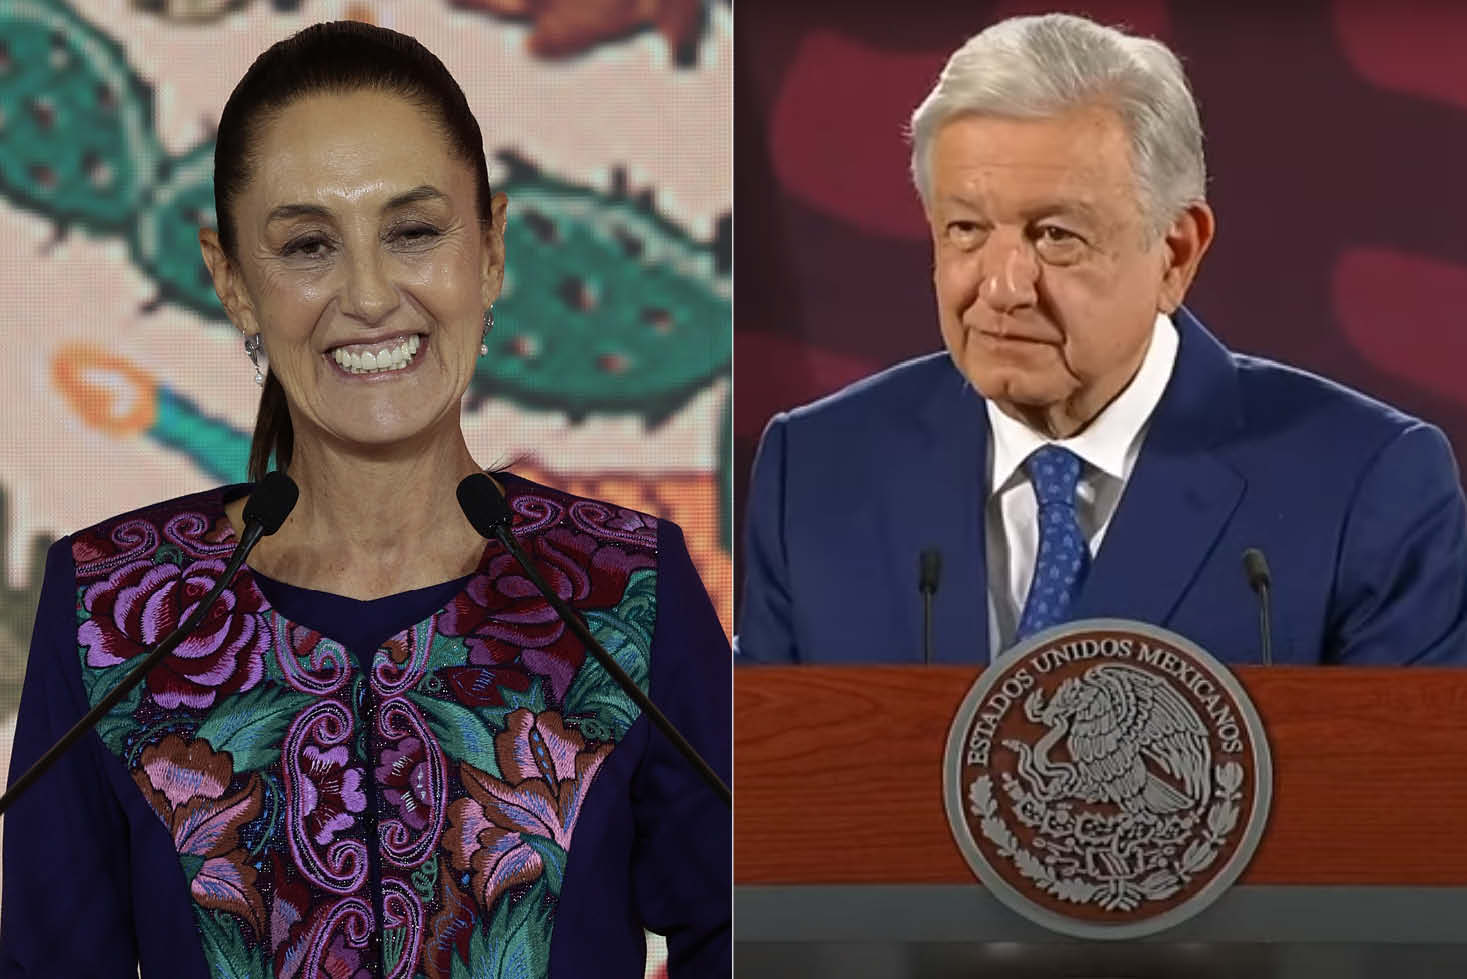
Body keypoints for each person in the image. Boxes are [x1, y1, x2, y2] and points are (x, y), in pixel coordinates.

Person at [1, 22, 729, 978]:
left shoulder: (622, 591)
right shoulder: (115, 610)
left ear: (491, 248)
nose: (371, 294)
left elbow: (743, 927)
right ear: (234, 285)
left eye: (414, 232)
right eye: (308, 245)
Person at [737, 13, 1467, 667]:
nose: (1001, 286)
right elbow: (753, 800)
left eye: (1054, 235)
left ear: (1175, 252)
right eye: (965, 230)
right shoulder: (816, 470)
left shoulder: (1366, 483)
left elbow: (1405, 805)